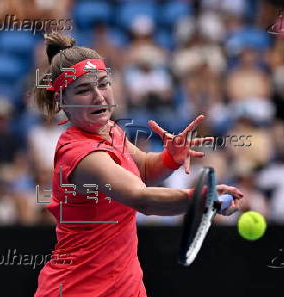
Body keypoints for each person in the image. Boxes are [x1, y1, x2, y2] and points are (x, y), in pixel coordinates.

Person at [33, 32, 244, 297]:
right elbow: (141, 198)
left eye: (103, 84)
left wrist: (170, 158)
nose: (99, 97)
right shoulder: (83, 156)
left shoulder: (109, 130)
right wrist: (203, 199)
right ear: (62, 101)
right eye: (84, 90)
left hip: (124, 287)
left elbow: (142, 170)